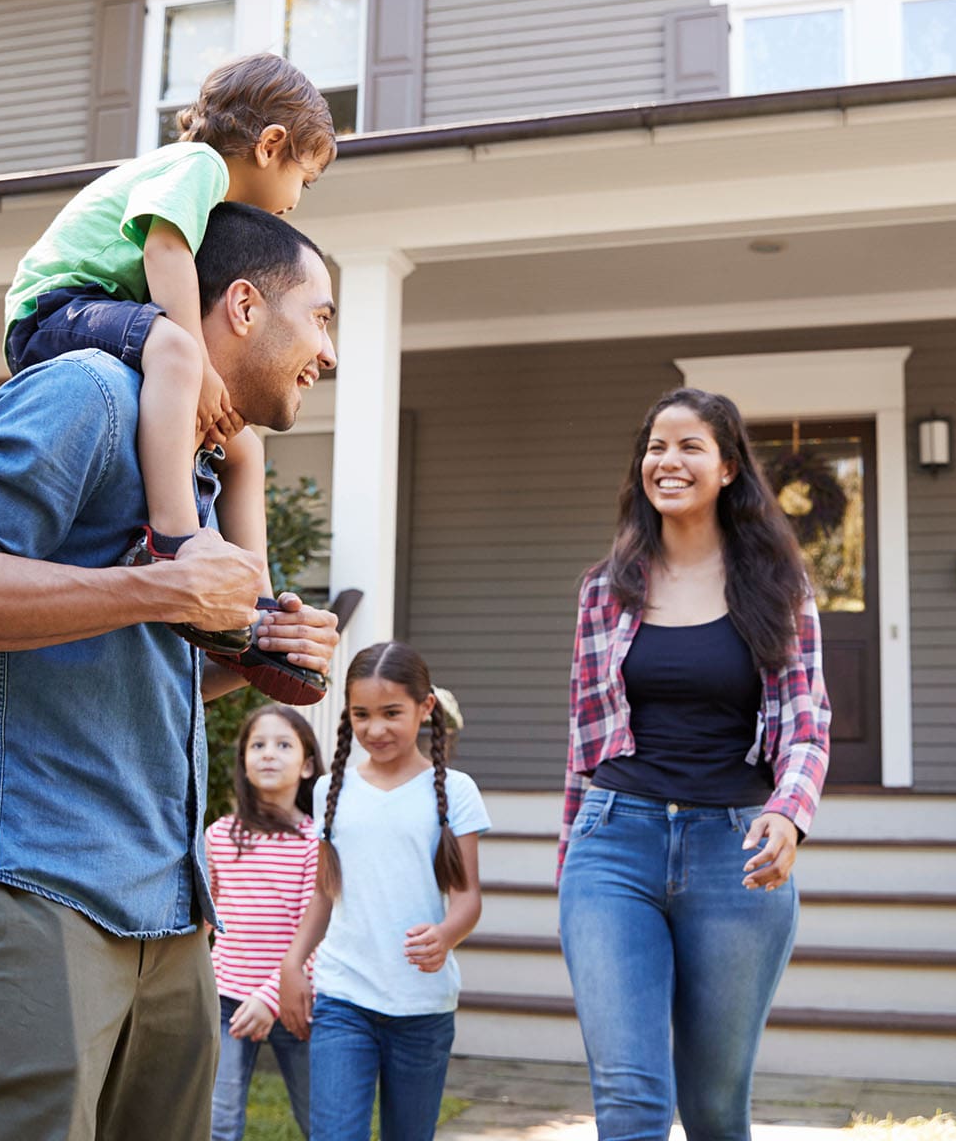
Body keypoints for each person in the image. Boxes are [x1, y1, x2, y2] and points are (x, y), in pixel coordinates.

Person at [0, 202, 342, 1141]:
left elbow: (137, 658)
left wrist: (256, 662)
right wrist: (161, 591)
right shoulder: (88, 392)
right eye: (322, 316)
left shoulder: (199, 466)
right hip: (37, 880)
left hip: (170, 908)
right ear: (245, 306)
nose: (330, 354)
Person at [3, 51, 337, 703]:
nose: (297, 200)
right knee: (177, 353)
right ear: (271, 146)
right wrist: (199, 361)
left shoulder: (204, 192)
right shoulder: (196, 167)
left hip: (97, 312)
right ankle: (176, 538)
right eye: (306, 179)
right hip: (55, 306)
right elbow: (163, 251)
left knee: (243, 444)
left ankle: (258, 607)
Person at [557, 387, 833, 1141]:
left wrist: (789, 812)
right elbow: (583, 749)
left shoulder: (778, 590)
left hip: (734, 854)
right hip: (615, 844)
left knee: (713, 1110)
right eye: (655, 446)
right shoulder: (602, 593)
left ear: (729, 468)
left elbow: (808, 727)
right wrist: (571, 865)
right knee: (632, 1101)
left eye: (688, 447)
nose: (667, 461)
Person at [276, 643, 489, 1141]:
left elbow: (468, 898)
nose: (375, 729)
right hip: (343, 998)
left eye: (392, 713)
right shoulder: (333, 789)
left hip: (421, 1008)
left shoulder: (455, 791)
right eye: (361, 714)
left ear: (425, 708)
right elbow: (325, 894)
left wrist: (446, 935)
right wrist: (291, 965)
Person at [207, 705, 323, 1141]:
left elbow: (315, 934)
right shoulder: (219, 835)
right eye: (257, 745)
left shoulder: (317, 841)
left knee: (321, 1121)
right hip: (226, 1000)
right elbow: (206, 919)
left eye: (283, 745)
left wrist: (271, 998)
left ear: (307, 764)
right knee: (218, 1124)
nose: (268, 754)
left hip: (296, 1000)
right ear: (243, 762)